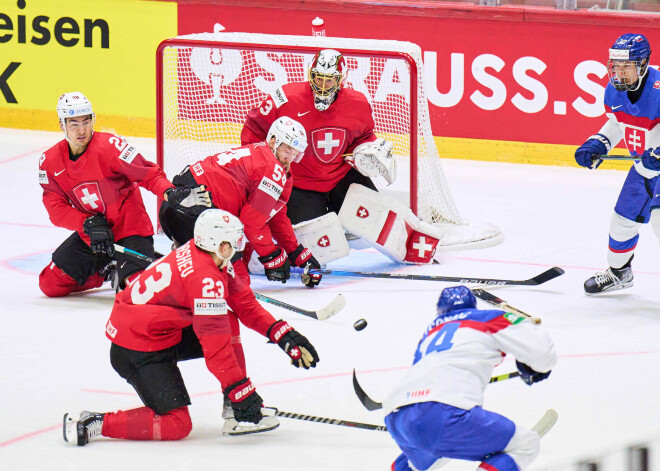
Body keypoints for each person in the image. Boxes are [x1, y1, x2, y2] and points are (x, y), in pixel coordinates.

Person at [63, 209, 320, 446]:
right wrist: (239, 388)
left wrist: (284, 335)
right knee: (176, 424)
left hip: (159, 332)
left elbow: (244, 305)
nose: (240, 247)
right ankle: (96, 421)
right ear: (218, 244)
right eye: (234, 242)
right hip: (137, 349)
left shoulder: (206, 255)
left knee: (228, 320)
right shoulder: (204, 277)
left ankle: (233, 407)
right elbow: (215, 347)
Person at [241, 49, 444, 265]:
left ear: (342, 79)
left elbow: (364, 136)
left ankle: (416, 248)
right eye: (318, 78)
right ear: (310, 74)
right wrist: (264, 166)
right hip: (299, 184)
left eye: (329, 80)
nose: (322, 85)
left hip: (343, 178)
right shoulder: (284, 98)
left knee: (378, 219)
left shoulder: (358, 103)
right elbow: (254, 130)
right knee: (310, 246)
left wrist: (368, 149)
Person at [38, 91, 210, 296]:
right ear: (62, 125)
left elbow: (148, 175)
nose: (82, 130)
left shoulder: (110, 147)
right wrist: (87, 223)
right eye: (74, 124)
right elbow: (56, 209)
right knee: (50, 284)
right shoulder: (49, 162)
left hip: (130, 228)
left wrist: (169, 192)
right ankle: (108, 271)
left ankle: (140, 266)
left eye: (86, 122)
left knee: (137, 289)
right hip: (94, 235)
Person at [382, 286, 557, 471]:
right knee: (525, 444)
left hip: (397, 414)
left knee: (420, 459)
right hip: (443, 412)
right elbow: (541, 353)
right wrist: (533, 367)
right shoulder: (487, 319)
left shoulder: (429, 333)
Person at [160, 116, 325, 287]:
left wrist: (296, 253)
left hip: (175, 208)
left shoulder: (262, 154)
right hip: (193, 214)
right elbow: (252, 223)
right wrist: (272, 256)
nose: (289, 157)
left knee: (224, 271)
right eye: (287, 149)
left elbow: (274, 216)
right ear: (273, 141)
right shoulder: (272, 169)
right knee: (238, 286)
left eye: (294, 153)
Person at [574, 33, 660, 294]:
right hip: (642, 168)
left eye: (626, 66)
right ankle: (619, 273)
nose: (619, 72)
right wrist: (598, 142)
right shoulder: (614, 91)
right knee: (622, 221)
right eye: (616, 66)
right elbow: (616, 122)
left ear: (643, 64)